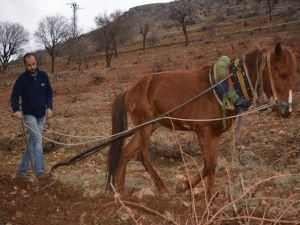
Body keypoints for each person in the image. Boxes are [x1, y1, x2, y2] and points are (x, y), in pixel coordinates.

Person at [11, 52, 53, 178]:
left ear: (36, 62)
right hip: (29, 114)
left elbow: (49, 93)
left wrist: (49, 107)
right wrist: (16, 110)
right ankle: (40, 171)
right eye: (29, 65)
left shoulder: (43, 76)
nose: (32, 67)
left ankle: (22, 171)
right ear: (25, 65)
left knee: (32, 142)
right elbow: (14, 96)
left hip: (42, 114)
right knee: (38, 140)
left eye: (33, 64)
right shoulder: (21, 79)